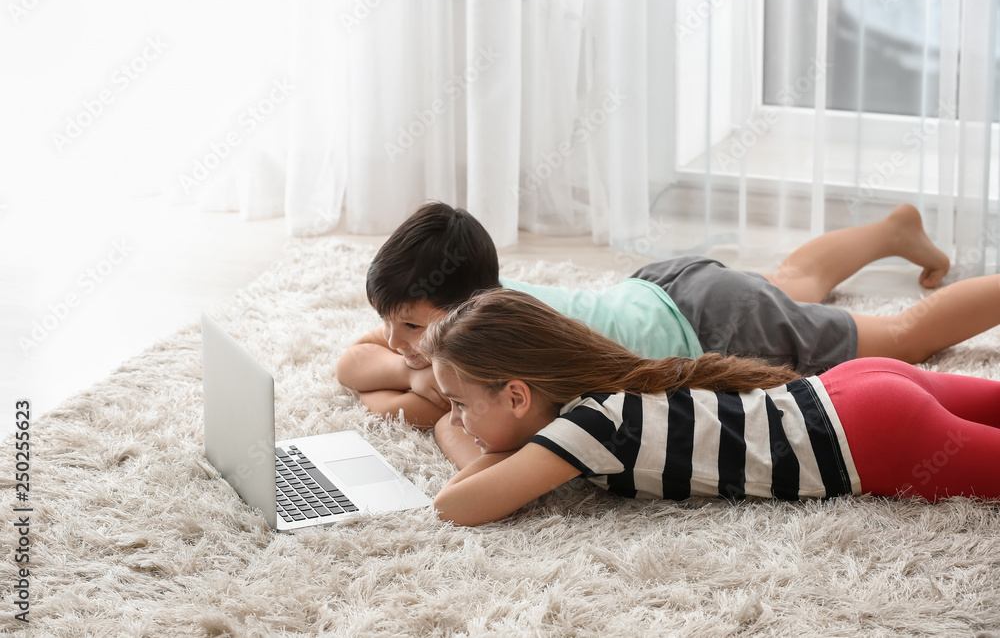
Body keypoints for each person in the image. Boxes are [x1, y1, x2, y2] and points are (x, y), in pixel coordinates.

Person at [335, 201, 1000, 464]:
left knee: (905, 335)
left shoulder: (492, 345)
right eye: (392, 323)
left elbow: (447, 427)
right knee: (790, 281)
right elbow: (353, 366)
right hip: (669, 289)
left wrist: (410, 390)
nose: (399, 342)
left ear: (468, 304)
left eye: (414, 326)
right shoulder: (464, 323)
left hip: (709, 322)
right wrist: (410, 375)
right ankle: (891, 232)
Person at [419, 289, 1000, 527]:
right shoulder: (610, 389)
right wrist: (482, 427)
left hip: (870, 439)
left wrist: (461, 440)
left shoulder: (585, 427)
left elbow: (456, 506)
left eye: (461, 403)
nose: (458, 416)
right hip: (852, 387)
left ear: (517, 395)